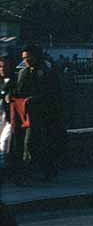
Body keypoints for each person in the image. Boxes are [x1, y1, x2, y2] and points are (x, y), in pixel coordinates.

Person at [11, 45, 64, 180]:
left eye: (28, 57)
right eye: (24, 58)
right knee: (29, 144)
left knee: (34, 144)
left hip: (44, 115)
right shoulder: (23, 72)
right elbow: (18, 91)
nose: (26, 60)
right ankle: (39, 171)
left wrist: (35, 99)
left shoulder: (47, 72)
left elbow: (54, 94)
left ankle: (35, 171)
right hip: (25, 115)